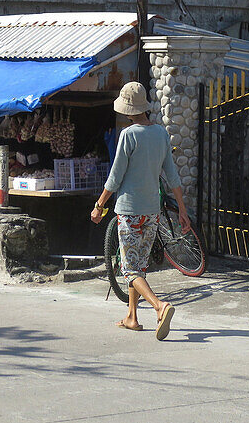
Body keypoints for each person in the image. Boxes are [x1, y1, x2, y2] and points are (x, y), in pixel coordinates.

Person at [91, 81, 190, 340]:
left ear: (126, 110)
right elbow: (172, 175)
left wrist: (99, 205)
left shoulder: (128, 135)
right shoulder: (160, 134)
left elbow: (115, 177)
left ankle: (159, 306)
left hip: (129, 211)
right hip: (152, 212)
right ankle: (132, 317)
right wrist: (182, 210)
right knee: (140, 265)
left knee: (130, 269)